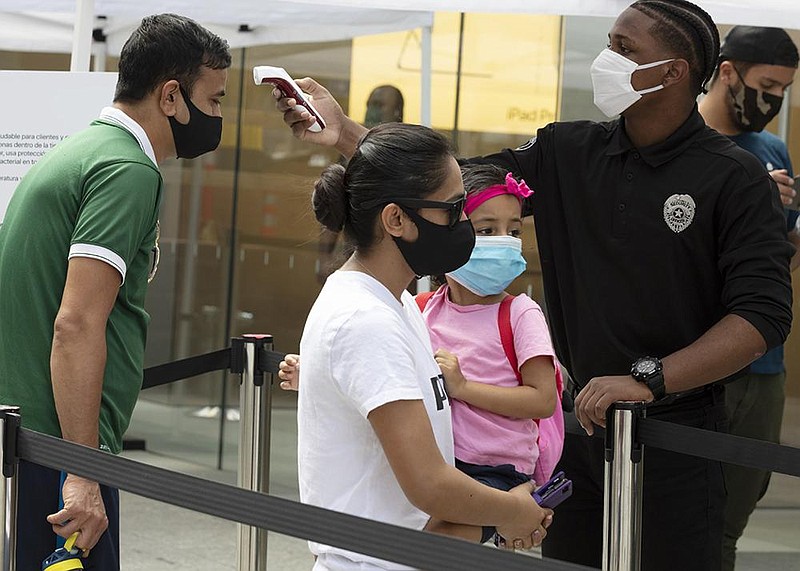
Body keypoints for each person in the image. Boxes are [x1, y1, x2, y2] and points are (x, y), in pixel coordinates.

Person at [273, 1, 794, 569]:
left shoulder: (734, 176)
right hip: (576, 432)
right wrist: (345, 129)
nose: (606, 59)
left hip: (680, 435)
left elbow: (762, 316)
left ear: (672, 72)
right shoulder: (568, 150)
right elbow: (459, 184)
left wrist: (651, 380)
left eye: (625, 49)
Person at [0, 14, 230, 569]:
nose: (221, 115)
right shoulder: (126, 169)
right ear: (171, 96)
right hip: (57, 448)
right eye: (216, 98)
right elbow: (76, 323)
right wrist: (82, 469)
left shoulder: (84, 151)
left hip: (33, 437)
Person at [297, 122, 552, 569]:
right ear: (396, 219)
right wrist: (514, 512)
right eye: (453, 210)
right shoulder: (365, 319)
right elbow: (428, 483)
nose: (464, 225)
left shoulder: (398, 304)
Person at [697, 25, 800, 570]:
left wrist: (782, 219)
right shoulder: (686, 142)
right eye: (767, 85)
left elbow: (779, 259)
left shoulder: (771, 147)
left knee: (734, 515)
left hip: (764, 367)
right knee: (683, 510)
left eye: (784, 90)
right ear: (728, 71)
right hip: (697, 357)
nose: (774, 101)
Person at [316, 85, 405, 284]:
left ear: (397, 112)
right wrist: (324, 257)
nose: (371, 111)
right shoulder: (353, 150)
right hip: (357, 253)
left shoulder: (406, 155)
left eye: (379, 105)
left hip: (399, 258)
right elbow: (334, 202)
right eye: (369, 105)